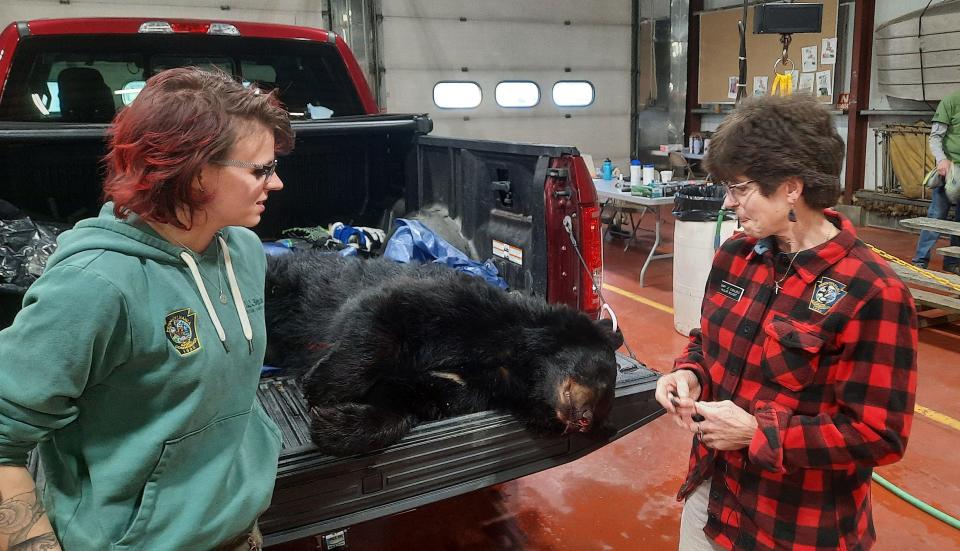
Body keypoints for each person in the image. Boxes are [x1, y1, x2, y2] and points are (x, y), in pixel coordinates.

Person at [0, 67, 293, 550]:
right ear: (196, 173)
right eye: (260, 169)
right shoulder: (94, 285)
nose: (276, 182)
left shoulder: (242, 251)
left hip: (238, 533)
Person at [655, 94, 918, 551]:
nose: (729, 203)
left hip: (796, 524)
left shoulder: (872, 293)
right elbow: (708, 338)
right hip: (713, 494)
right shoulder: (736, 255)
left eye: (740, 189)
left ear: (792, 188)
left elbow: (880, 434)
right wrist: (690, 372)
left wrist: (760, 434)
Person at [911, 88, 960, 274]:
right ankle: (920, 260)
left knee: (959, 222)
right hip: (950, 170)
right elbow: (935, 137)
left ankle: (953, 262)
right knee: (936, 215)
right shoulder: (951, 101)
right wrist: (942, 160)